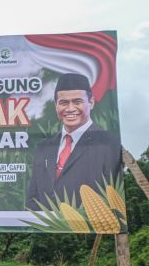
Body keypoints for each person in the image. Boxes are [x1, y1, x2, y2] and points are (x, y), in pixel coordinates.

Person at [26, 73, 121, 210]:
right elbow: (32, 198)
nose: (70, 109)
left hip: (89, 227)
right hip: (48, 228)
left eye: (77, 102)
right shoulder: (44, 147)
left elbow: (112, 194)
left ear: (91, 103)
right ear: (56, 106)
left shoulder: (108, 143)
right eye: (64, 103)